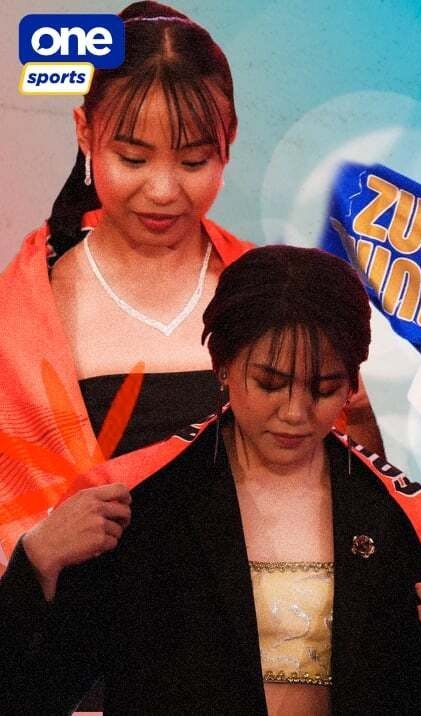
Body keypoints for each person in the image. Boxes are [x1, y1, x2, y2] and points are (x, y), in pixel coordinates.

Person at [0, 245, 421, 713]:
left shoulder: (405, 521)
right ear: (222, 364)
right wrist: (35, 561)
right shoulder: (140, 503)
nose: (295, 413)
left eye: (324, 389)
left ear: (352, 382)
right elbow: (30, 693)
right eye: (269, 383)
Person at [0, 1, 381, 567]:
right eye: (133, 159)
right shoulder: (21, 315)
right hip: (82, 622)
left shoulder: (275, 293)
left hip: (268, 616)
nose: (162, 190)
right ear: (85, 132)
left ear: (229, 140)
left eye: (194, 162)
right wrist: (39, 556)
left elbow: (361, 502)